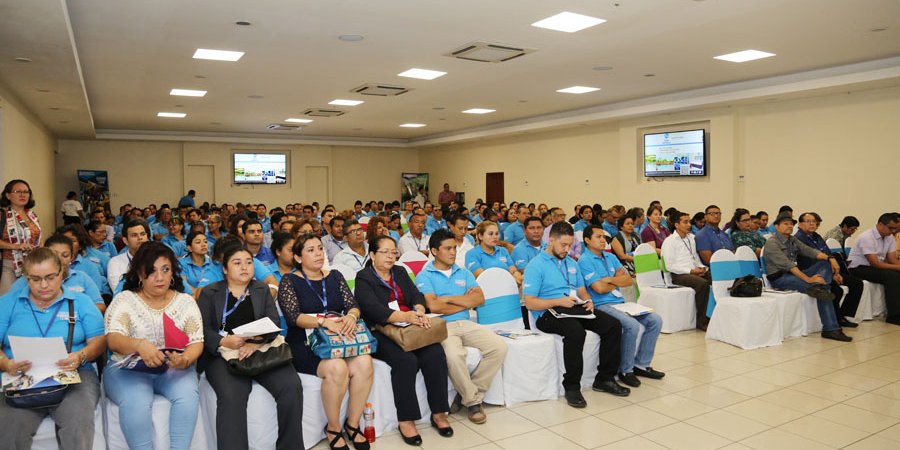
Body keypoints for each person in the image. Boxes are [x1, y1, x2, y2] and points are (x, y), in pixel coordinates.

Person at [198, 246, 304, 450]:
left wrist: (254, 344)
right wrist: (223, 342)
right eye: (237, 263)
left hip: (260, 349)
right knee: (232, 395)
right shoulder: (210, 293)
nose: (244, 267)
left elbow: (273, 323)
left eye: (248, 262)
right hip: (223, 354)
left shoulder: (261, 289)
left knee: (291, 386)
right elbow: (203, 329)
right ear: (225, 269)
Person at [0, 248, 107, 449]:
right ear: (26, 278)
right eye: (35, 279)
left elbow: (99, 340)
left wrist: (81, 355)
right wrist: (5, 363)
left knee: (77, 420)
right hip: (21, 378)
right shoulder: (9, 303)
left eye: (50, 277)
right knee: (8, 426)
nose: (43, 285)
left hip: (74, 375)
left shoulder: (80, 302)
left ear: (62, 274)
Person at [104, 242, 205, 450]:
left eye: (165, 270)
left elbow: (197, 342)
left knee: (187, 397)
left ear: (173, 273)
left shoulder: (185, 302)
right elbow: (113, 340)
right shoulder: (124, 300)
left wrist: (185, 359)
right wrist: (140, 345)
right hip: (128, 370)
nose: (159, 277)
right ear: (140, 274)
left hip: (173, 369)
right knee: (137, 403)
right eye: (151, 271)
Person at [277, 233, 373, 450]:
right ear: (299, 258)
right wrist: (323, 322)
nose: (318, 253)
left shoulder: (335, 276)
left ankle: (353, 423)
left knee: (365, 362)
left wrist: (351, 316)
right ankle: (333, 427)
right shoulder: (289, 280)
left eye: (320, 248)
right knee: (338, 368)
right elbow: (293, 317)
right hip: (306, 343)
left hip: (340, 338)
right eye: (310, 250)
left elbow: (353, 305)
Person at [354, 236, 452, 445]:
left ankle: (438, 412)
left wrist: (418, 310)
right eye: (385, 252)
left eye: (393, 252)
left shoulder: (399, 271)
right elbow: (373, 309)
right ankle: (406, 419)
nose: (391, 256)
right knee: (406, 361)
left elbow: (416, 295)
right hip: (382, 330)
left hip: (410, 327)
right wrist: (405, 317)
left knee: (435, 353)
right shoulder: (364, 278)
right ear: (372, 255)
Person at [523, 221, 629, 409]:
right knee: (575, 331)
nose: (566, 249)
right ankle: (572, 387)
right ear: (551, 241)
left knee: (613, 325)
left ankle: (604, 379)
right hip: (547, 313)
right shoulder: (536, 265)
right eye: (563, 245)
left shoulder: (572, 263)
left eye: (569, 245)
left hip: (572, 307)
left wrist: (588, 300)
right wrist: (557, 301)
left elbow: (581, 290)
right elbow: (530, 302)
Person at [417, 229, 507, 424]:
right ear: (434, 251)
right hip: (443, 326)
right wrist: (465, 300)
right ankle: (473, 402)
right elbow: (433, 306)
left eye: (454, 248)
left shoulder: (463, 272)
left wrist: (448, 299)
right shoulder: (425, 276)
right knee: (453, 355)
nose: (453, 252)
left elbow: (479, 299)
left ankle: (467, 391)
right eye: (448, 248)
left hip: (467, 323)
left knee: (499, 347)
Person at [578, 225, 664, 387]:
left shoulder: (610, 257)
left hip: (619, 302)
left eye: (604, 237)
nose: (603, 240)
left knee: (655, 320)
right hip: (600, 305)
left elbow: (627, 280)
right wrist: (613, 280)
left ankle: (641, 364)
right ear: (587, 240)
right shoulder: (585, 260)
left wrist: (608, 279)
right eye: (598, 237)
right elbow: (599, 289)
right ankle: (626, 370)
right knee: (631, 325)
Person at [763, 212, 852, 341]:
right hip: (780, 279)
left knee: (823, 264)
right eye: (785, 224)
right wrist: (809, 279)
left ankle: (821, 288)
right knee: (823, 291)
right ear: (776, 226)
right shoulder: (772, 243)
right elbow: (789, 266)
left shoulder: (792, 240)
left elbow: (810, 251)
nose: (789, 226)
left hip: (796, 274)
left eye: (791, 224)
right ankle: (831, 329)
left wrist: (830, 258)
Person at [795, 212, 863, 327]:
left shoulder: (816, 236)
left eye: (814, 222)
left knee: (857, 284)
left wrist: (836, 272)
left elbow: (828, 254)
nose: (812, 224)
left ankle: (843, 315)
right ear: (800, 224)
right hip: (812, 272)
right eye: (808, 221)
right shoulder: (798, 239)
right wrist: (832, 274)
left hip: (828, 270)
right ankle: (836, 319)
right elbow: (812, 260)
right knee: (837, 290)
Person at [661, 212, 712, 331]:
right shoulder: (670, 241)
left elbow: (695, 257)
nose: (689, 225)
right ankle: (701, 321)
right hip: (678, 275)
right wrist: (690, 271)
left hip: (693, 271)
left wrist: (701, 268)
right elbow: (669, 266)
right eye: (685, 222)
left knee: (714, 277)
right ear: (677, 225)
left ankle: (714, 316)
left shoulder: (691, 238)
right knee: (702, 284)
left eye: (689, 222)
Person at [847, 212, 900, 325]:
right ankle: (894, 316)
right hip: (858, 268)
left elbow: (892, 260)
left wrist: (898, 266)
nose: (894, 231)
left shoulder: (889, 237)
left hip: (874, 267)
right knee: (892, 276)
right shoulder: (867, 237)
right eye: (891, 228)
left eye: (896, 229)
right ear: (881, 224)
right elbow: (875, 263)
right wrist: (897, 267)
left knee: (895, 273)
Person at [1, 179, 43, 295]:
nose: (22, 195)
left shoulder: (32, 215)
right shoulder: (2, 214)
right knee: (8, 299)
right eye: (17, 191)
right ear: (8, 195)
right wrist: (16, 246)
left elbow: (38, 237)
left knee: (28, 298)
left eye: (26, 192)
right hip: (9, 265)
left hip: (31, 264)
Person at [466, 221, 523, 286]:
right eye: (490, 234)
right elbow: (483, 276)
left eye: (496, 234)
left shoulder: (503, 250)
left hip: (508, 287)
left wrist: (516, 274)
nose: (495, 237)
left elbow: (513, 270)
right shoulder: (471, 254)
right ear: (480, 236)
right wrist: (510, 280)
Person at [107, 218, 150, 294]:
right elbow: (120, 293)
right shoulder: (115, 262)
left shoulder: (158, 259)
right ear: (125, 241)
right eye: (134, 235)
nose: (140, 238)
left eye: (143, 234)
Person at [180, 231, 223, 298]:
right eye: (198, 242)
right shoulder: (181, 262)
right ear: (189, 248)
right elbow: (182, 282)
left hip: (210, 298)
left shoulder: (214, 262)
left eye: (205, 241)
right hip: (189, 298)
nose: (203, 244)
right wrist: (197, 294)